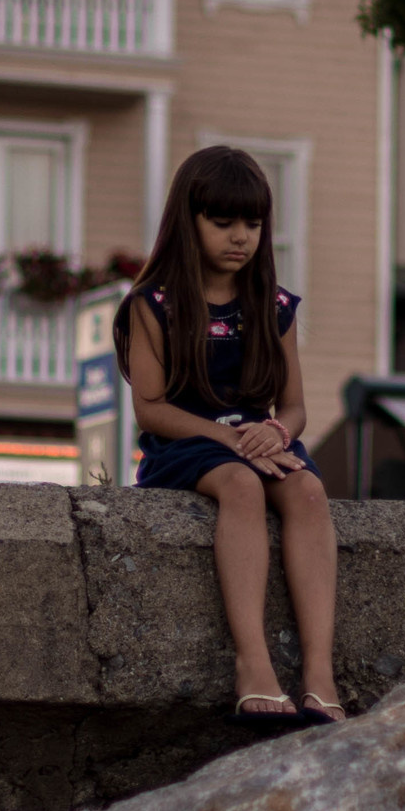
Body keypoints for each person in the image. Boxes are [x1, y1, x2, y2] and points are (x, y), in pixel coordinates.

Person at [116, 145, 343, 730]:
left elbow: (293, 407)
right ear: (188, 222)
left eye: (252, 223)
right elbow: (151, 409)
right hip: (186, 441)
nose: (240, 236)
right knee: (241, 488)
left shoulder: (274, 306)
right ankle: (253, 667)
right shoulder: (154, 305)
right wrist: (224, 437)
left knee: (309, 493)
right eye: (223, 222)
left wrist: (275, 430)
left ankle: (320, 674)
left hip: (256, 439)